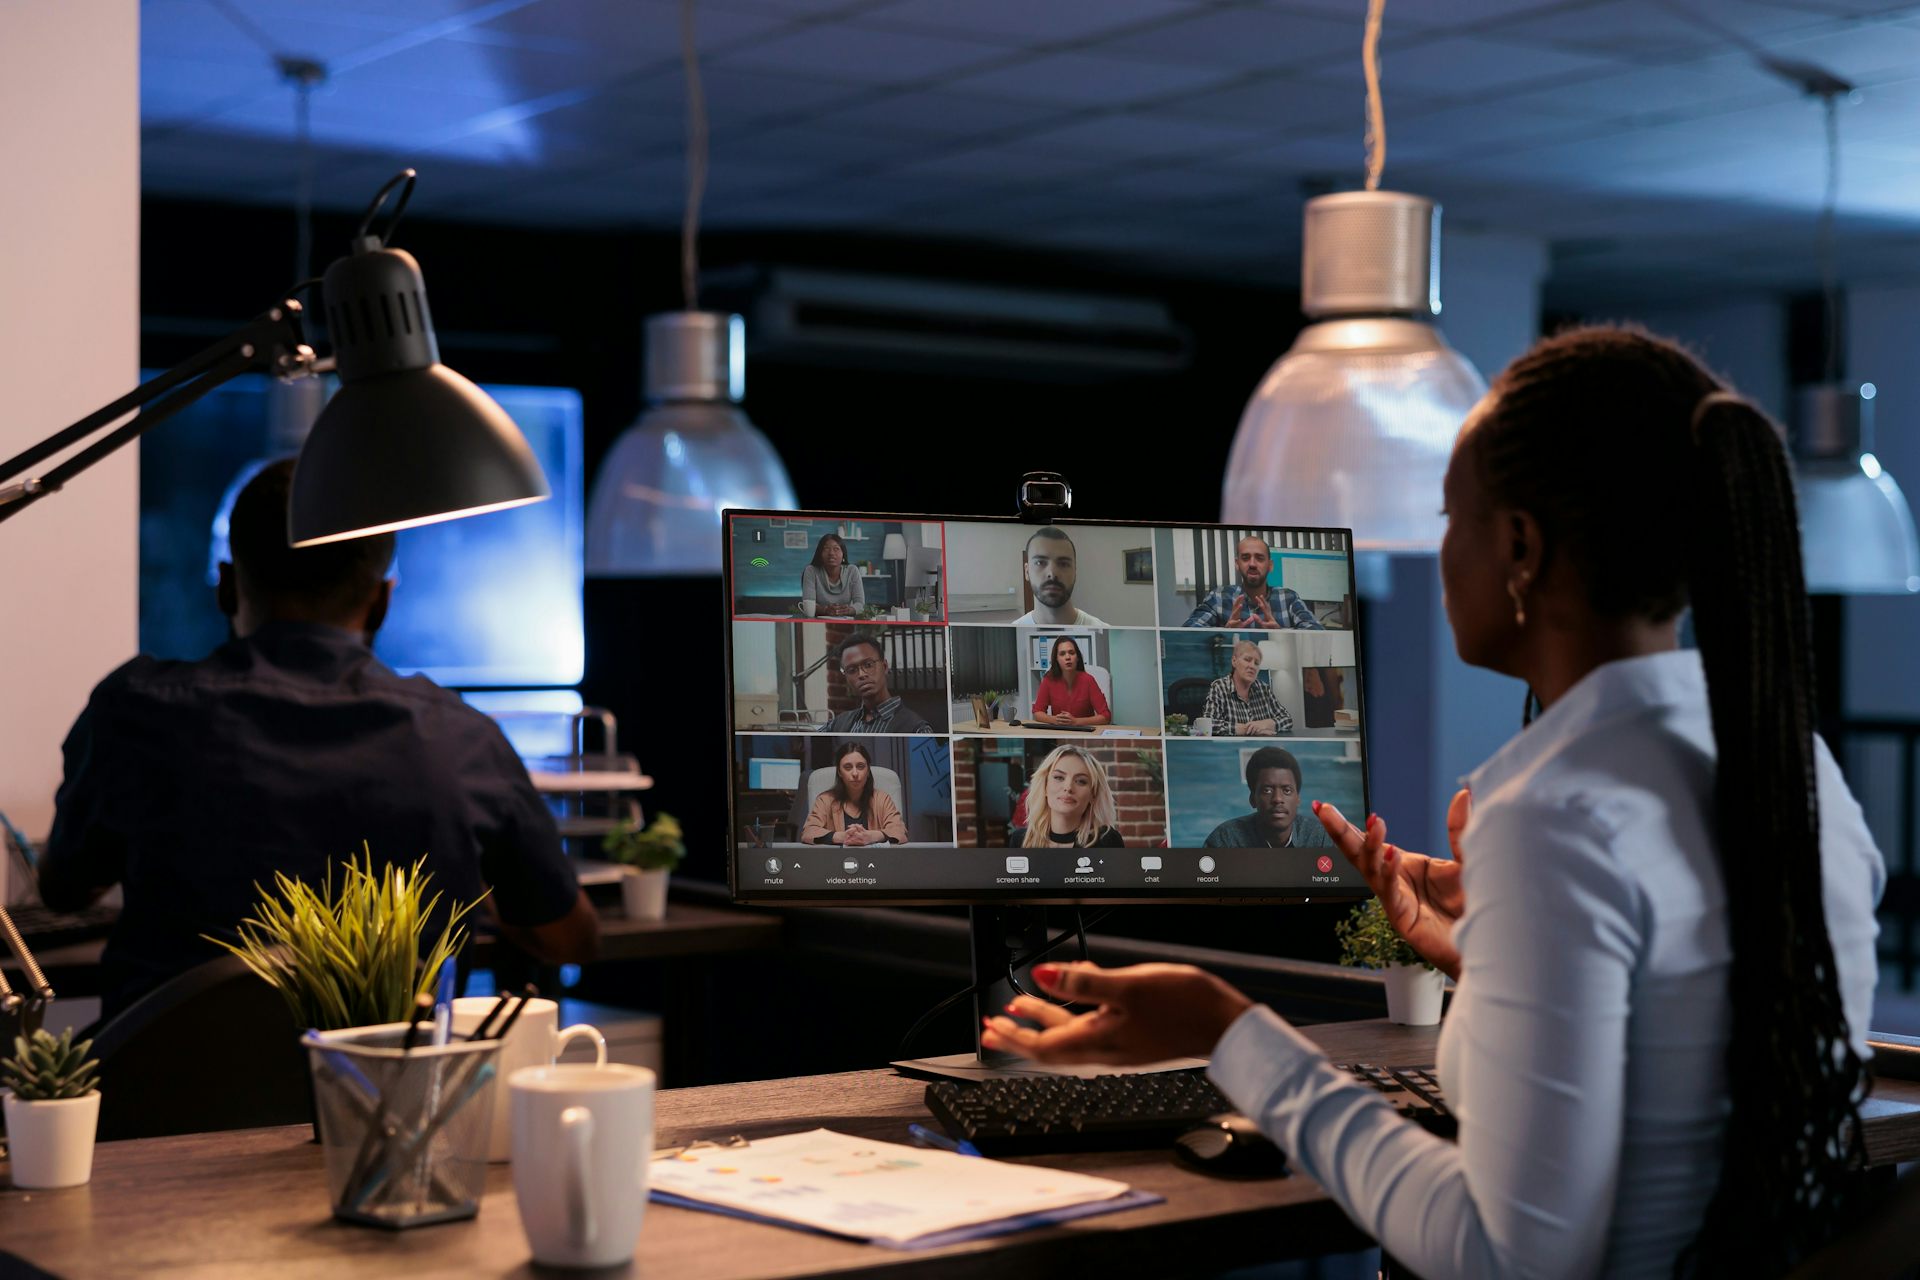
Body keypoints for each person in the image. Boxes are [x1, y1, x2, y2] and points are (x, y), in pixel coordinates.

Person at [978, 327, 1885, 1278]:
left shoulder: (1558, 817)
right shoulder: (1797, 770)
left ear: (1521, 547)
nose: (1438, 552)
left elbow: (1501, 1258)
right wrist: (1497, 951)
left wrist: (1227, 1031)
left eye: (1452, 519)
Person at [40, 459, 599, 1020]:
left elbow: (64, 890)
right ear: (382, 600)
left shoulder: (135, 712)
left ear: (229, 587)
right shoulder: (464, 741)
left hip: (166, 1099)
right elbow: (570, 939)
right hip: (386, 1099)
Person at [1183, 535, 1323, 629]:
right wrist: (1224, 634)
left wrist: (1282, 635)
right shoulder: (1219, 597)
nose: (1252, 564)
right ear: (1237, 564)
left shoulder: (1288, 598)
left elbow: (1316, 632)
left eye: (1259, 558)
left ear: (1270, 565)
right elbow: (1188, 631)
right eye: (1245, 558)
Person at [1203, 746, 1327, 849]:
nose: (1277, 799)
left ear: (1298, 799)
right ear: (1252, 799)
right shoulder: (1226, 839)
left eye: (1287, 790)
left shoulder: (1319, 837)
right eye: (1267, 790)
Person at [1009, 743, 1125, 849]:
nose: (1068, 787)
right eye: (1059, 777)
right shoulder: (1020, 840)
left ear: (1093, 794)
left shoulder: (1107, 841)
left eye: (1081, 781)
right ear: (1044, 786)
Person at [800, 741, 908, 846]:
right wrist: (843, 837)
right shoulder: (825, 800)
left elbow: (899, 831)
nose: (855, 773)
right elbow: (809, 832)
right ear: (839, 772)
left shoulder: (882, 799)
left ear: (868, 770)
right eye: (847, 767)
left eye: (860, 766)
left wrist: (871, 837)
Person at [821, 634, 931, 734]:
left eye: (868, 665)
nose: (861, 674)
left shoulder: (916, 728)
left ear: (885, 667)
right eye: (852, 670)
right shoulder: (839, 723)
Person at [1013, 527, 1107, 627]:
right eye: (1040, 562)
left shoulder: (1104, 631)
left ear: (1075, 571)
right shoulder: (1014, 632)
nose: (1052, 573)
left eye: (1063, 564)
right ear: (1027, 571)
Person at [1200, 640, 1291, 737]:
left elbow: (1287, 719)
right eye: (1247, 660)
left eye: (1256, 663)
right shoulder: (1219, 687)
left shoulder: (1264, 689)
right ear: (1234, 661)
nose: (1252, 666)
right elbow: (1207, 725)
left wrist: (1265, 724)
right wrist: (1248, 729)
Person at [1030, 636, 1111, 728]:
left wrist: (1076, 721)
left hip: (1084, 733)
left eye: (1071, 653)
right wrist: (1055, 720)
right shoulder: (1049, 680)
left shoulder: (1088, 680)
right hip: (1059, 734)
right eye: (1062, 654)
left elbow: (1106, 716)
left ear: (1077, 657)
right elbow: (1037, 712)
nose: (1067, 657)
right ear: (1056, 659)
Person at [800, 532, 863, 618]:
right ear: (820, 554)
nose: (831, 553)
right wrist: (825, 610)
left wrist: (847, 610)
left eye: (836, 549)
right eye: (826, 549)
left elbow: (860, 604)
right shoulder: (811, 571)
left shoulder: (852, 571)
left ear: (843, 554)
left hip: (846, 621)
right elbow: (808, 603)